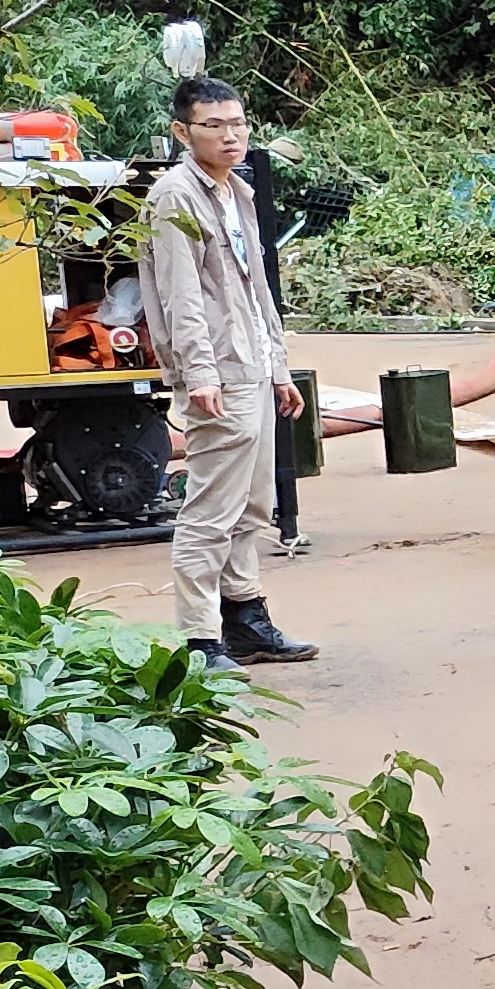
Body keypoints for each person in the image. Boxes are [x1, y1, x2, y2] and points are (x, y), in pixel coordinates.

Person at [146, 75, 314, 672]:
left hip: (252, 365)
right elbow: (180, 294)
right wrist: (200, 375)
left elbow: (255, 287)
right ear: (182, 132)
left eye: (237, 123)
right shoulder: (175, 197)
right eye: (213, 125)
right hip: (216, 370)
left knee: (253, 503)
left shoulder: (236, 192)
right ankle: (201, 640)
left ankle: (245, 619)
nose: (229, 135)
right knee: (210, 510)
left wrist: (279, 366)